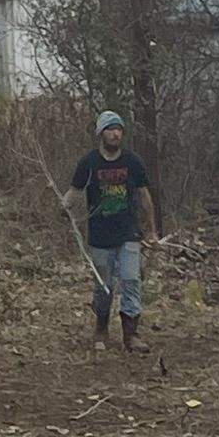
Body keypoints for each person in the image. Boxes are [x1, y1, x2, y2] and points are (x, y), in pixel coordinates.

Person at [62, 110, 159, 353]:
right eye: (110, 129)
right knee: (103, 287)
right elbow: (74, 191)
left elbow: (144, 196)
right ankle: (101, 329)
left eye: (119, 129)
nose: (116, 134)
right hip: (100, 237)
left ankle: (131, 334)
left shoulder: (133, 162)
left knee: (131, 280)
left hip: (128, 234)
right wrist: (64, 206)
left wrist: (151, 230)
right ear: (101, 134)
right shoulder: (89, 163)